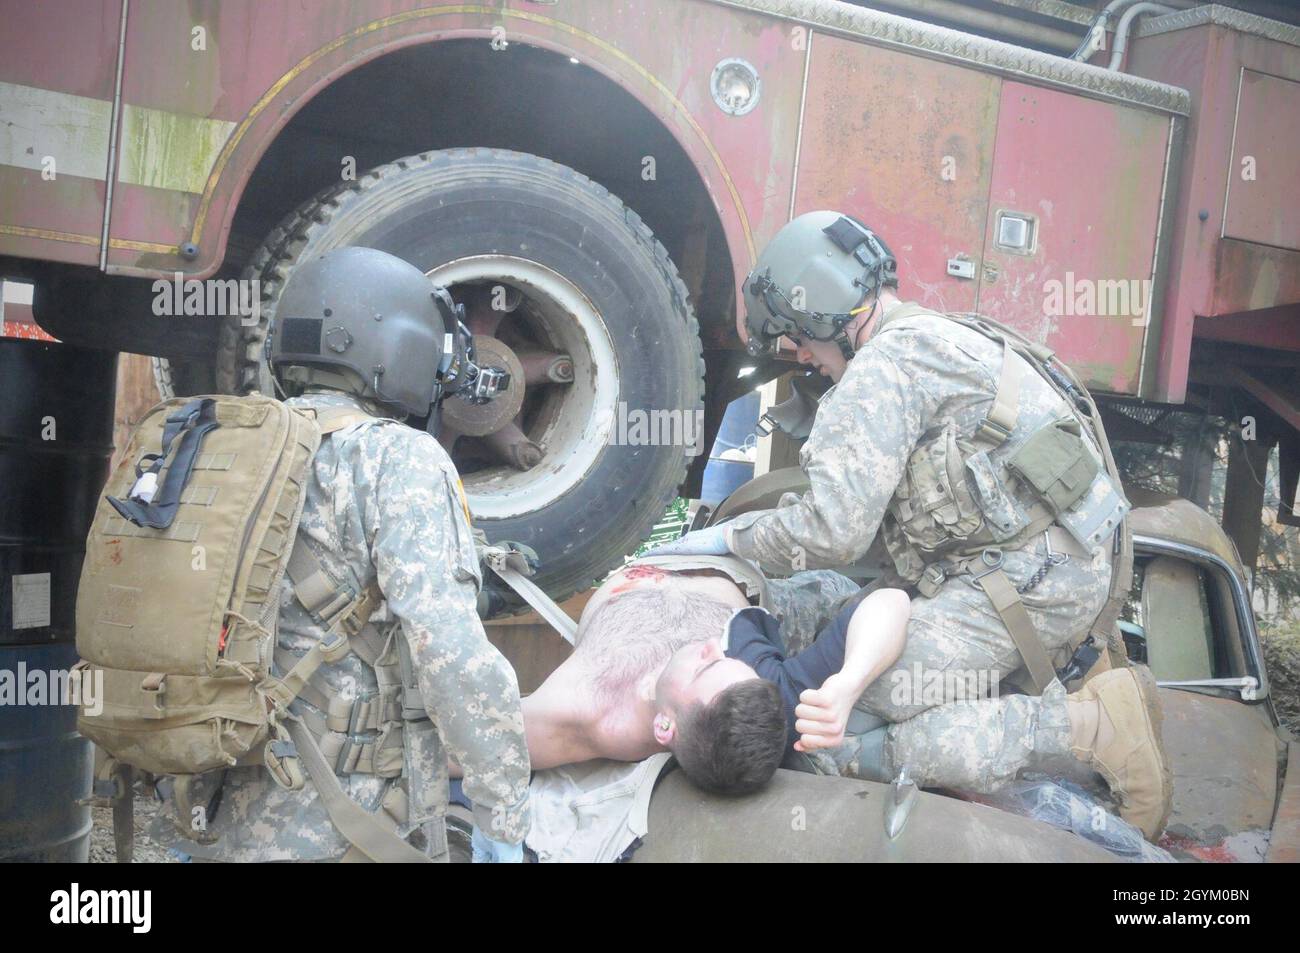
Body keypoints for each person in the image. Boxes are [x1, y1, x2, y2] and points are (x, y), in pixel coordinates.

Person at [647, 211, 1172, 839]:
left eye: (801, 340)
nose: (804, 358)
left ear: (825, 314)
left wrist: (728, 538)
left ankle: (1091, 726)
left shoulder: (880, 372)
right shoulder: (932, 335)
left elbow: (831, 532)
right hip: (1050, 565)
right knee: (833, 623)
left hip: (1032, 588)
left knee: (836, 730)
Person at [152, 247, 531, 862]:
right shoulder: (396, 457)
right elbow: (454, 657)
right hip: (343, 821)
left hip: (215, 805)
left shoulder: (222, 442)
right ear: (400, 347)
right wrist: (504, 806)